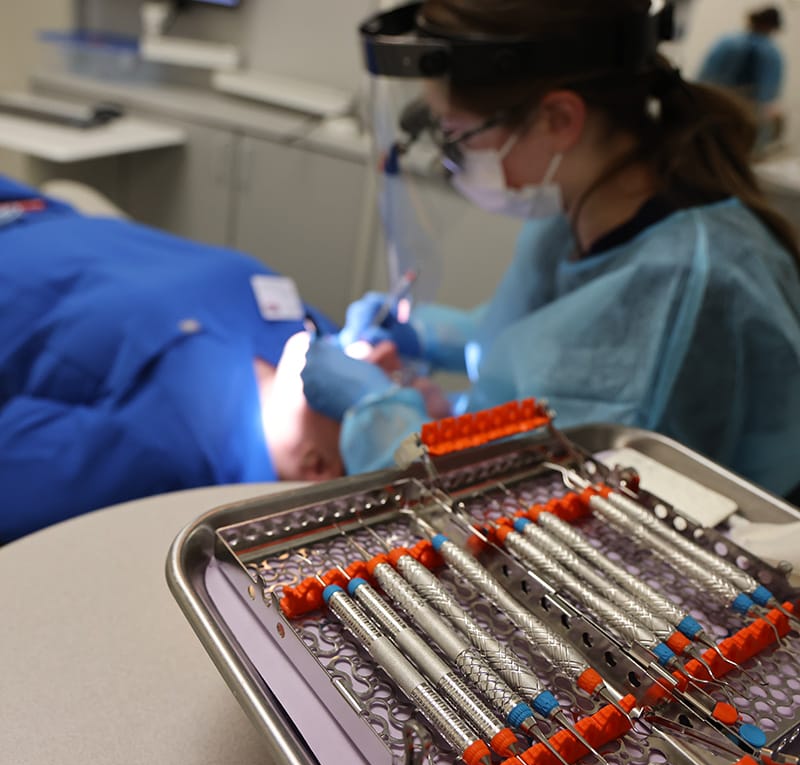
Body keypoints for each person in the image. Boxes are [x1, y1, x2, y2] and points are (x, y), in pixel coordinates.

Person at [301, 0, 800, 501]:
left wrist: (376, 412)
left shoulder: (687, 287)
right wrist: (430, 337)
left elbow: (536, 505)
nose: (451, 157)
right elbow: (549, 342)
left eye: (457, 134)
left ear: (559, 118)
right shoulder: (582, 207)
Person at [0, 174, 344, 543]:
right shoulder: (311, 335)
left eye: (374, 394)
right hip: (35, 209)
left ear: (315, 464)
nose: (382, 355)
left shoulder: (172, 452)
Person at [697, 6, 785, 150]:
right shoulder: (771, 53)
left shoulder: (726, 43)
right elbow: (768, 97)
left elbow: (704, 79)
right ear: (771, 27)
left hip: (713, 113)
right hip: (745, 122)